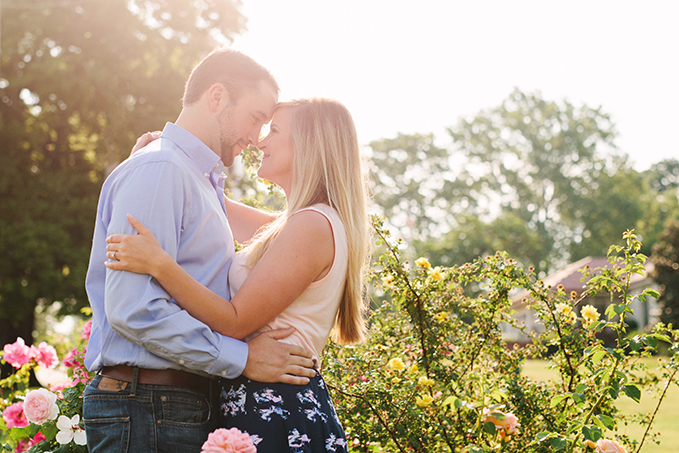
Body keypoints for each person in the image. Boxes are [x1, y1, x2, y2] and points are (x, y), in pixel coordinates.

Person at [83, 48, 316, 453]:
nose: (256, 136)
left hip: (167, 404)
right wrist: (241, 358)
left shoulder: (190, 177)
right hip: (148, 405)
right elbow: (133, 308)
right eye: (256, 118)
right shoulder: (161, 170)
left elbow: (291, 232)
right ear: (217, 97)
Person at [105, 98, 370, 452]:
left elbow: (235, 322)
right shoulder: (293, 225)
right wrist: (158, 158)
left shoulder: (312, 226)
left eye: (274, 130)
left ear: (309, 143)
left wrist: (160, 264)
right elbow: (213, 204)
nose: (261, 142)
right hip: (261, 400)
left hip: (277, 409)